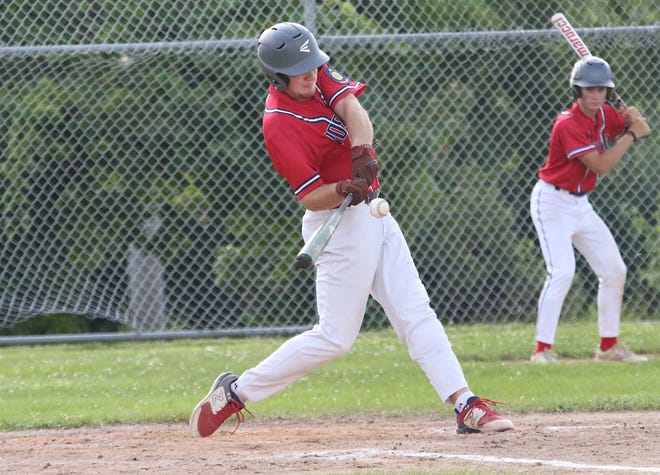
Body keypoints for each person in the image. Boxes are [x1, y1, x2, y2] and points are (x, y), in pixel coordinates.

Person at [189, 21, 514, 437]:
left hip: (375, 213)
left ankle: (466, 405)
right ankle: (236, 391)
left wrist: (361, 153)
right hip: (337, 223)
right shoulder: (278, 124)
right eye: (300, 70)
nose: (311, 73)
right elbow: (309, 196)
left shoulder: (316, 73)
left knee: (416, 313)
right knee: (335, 339)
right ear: (276, 76)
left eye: (313, 64)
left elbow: (355, 112)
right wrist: (342, 187)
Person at [529, 56, 650, 364]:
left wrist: (634, 119)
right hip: (552, 203)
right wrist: (632, 135)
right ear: (577, 91)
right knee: (562, 272)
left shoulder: (606, 114)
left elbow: (636, 124)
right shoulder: (567, 123)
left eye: (601, 89)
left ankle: (608, 347)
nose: (595, 95)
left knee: (614, 270)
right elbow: (602, 164)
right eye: (588, 89)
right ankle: (541, 351)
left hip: (581, 205)